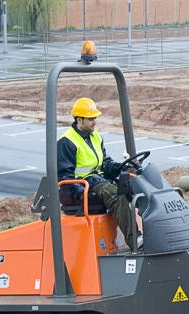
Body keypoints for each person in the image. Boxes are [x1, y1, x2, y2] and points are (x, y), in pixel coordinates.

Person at [57, 97, 138, 249]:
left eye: (94, 118)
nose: (94, 122)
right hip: (80, 185)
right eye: (90, 119)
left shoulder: (96, 137)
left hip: (96, 180)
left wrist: (121, 167)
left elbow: (105, 163)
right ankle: (134, 240)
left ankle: (148, 231)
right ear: (79, 119)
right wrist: (80, 192)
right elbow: (64, 176)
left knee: (132, 187)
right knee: (116, 194)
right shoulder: (67, 141)